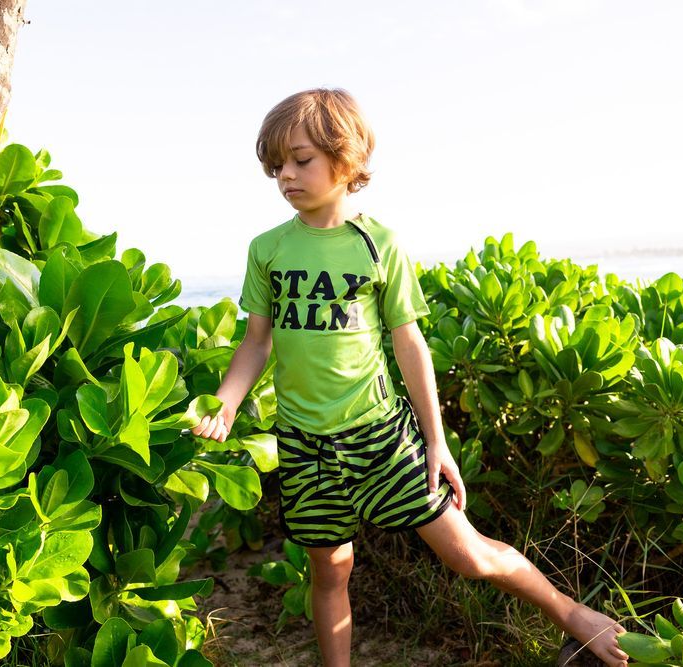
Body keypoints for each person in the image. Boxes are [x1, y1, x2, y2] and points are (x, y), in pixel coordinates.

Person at [191, 88, 629, 667]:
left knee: (467, 554)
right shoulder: (267, 248)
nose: (286, 176)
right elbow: (256, 341)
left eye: (301, 160)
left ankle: (573, 614)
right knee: (330, 569)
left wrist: (435, 439)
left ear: (345, 162)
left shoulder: (379, 245)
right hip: (304, 445)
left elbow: (409, 344)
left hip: (379, 435)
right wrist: (225, 403)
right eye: (278, 165)